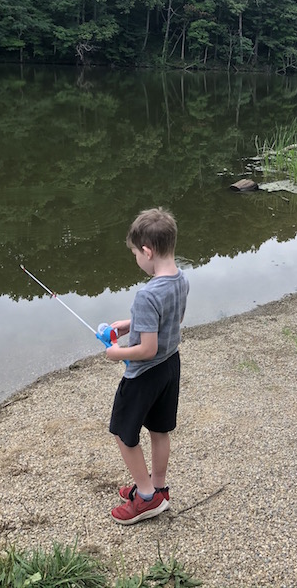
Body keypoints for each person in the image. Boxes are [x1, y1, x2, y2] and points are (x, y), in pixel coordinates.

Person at [103, 207, 189, 525]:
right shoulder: (181, 281)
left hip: (143, 376)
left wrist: (116, 352)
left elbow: (147, 348)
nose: (136, 260)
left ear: (147, 251)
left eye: (136, 254)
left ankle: (146, 497)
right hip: (170, 367)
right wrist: (130, 325)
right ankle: (159, 487)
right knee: (159, 430)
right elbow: (173, 323)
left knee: (124, 435)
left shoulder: (146, 295)